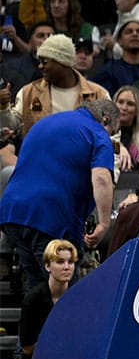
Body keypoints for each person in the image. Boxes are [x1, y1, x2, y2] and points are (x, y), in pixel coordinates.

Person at [0, 98, 117, 300]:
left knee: (37, 288)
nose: (110, 137)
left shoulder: (45, 123)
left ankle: (36, 322)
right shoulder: (97, 132)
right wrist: (104, 223)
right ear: (105, 120)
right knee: (64, 294)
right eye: (112, 132)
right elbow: (101, 178)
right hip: (51, 219)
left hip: (13, 214)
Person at [6, 238, 77, 359]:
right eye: (60, 262)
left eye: (70, 262)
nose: (66, 267)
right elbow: (27, 346)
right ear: (47, 266)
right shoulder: (33, 299)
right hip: (40, 358)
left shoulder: (79, 295)